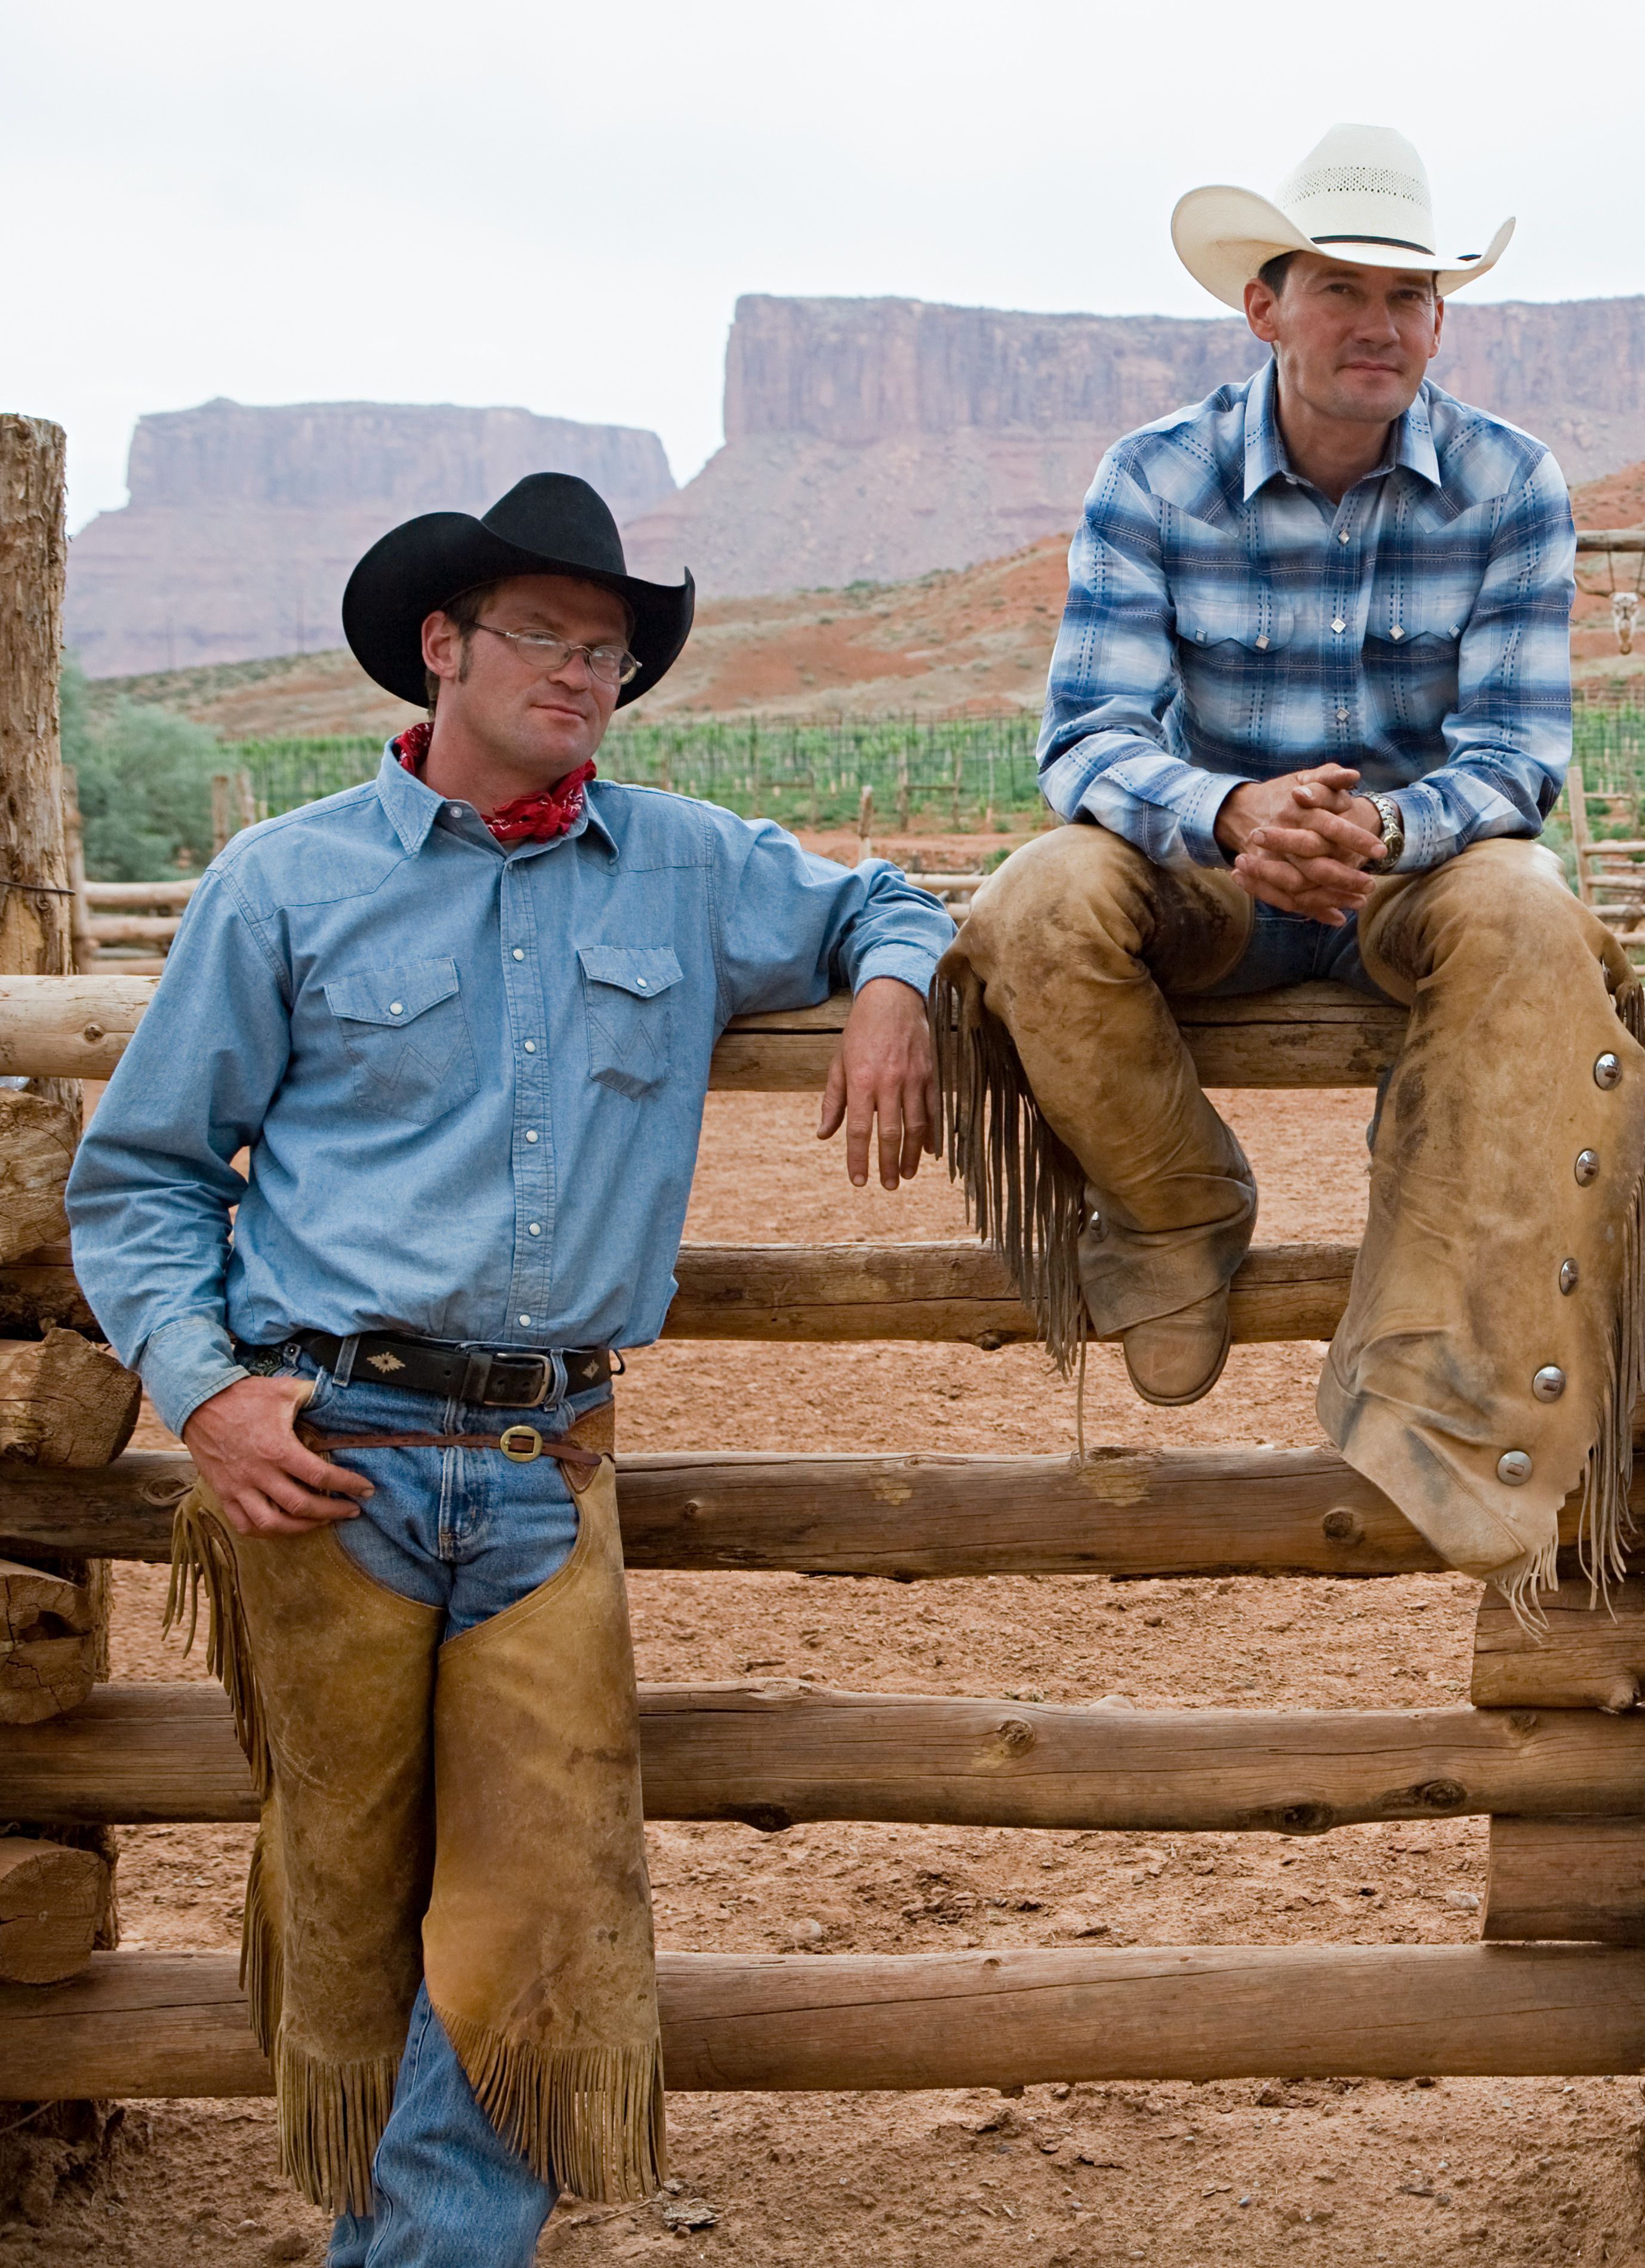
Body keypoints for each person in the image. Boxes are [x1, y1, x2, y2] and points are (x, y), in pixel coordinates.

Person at [64, 472, 953, 2267]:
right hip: (327, 1449)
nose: (580, 673)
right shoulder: (284, 880)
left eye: (609, 651)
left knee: (537, 1908)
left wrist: (892, 985)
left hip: (549, 1461)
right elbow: (145, 1174)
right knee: (346, 1882)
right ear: (442, 646)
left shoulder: (688, 865)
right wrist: (206, 1391)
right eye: (543, 634)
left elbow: (889, 898)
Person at [938, 124, 1645, 1608]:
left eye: (1409, 296)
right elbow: (1087, 739)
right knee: (1033, 901)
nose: (1379, 323)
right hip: (1217, 868)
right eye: (1341, 289)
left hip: (1417, 872)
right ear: (1264, 307)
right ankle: (1176, 1205)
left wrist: (1383, 830)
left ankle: (1427, 1349)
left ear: (1439, 323)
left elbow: (1516, 757)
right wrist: (1232, 816)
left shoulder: (1511, 481)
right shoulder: (1155, 474)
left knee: (1529, 903)